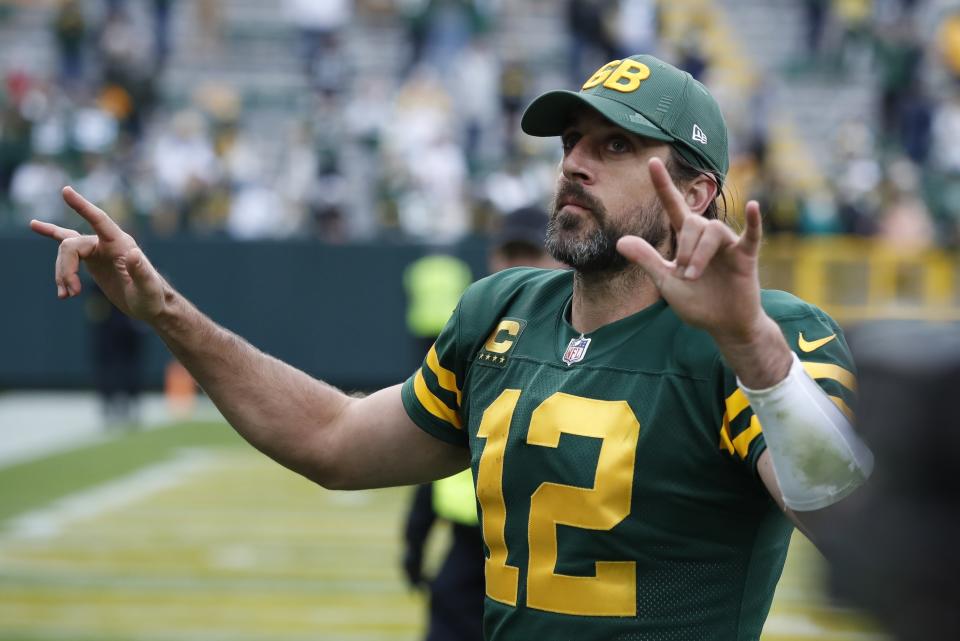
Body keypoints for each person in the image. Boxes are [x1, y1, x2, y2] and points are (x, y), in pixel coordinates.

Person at [30, 54, 873, 640]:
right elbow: (332, 439)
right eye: (570, 141)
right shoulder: (501, 311)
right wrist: (164, 306)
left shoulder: (771, 335)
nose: (575, 162)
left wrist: (751, 346)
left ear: (697, 191)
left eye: (615, 145)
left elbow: (856, 531)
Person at [401, 206, 560, 641]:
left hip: (549, 559)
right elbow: (431, 440)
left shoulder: (578, 341)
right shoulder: (473, 334)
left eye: (529, 254)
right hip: (470, 542)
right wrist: (415, 541)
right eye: (508, 254)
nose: (516, 268)